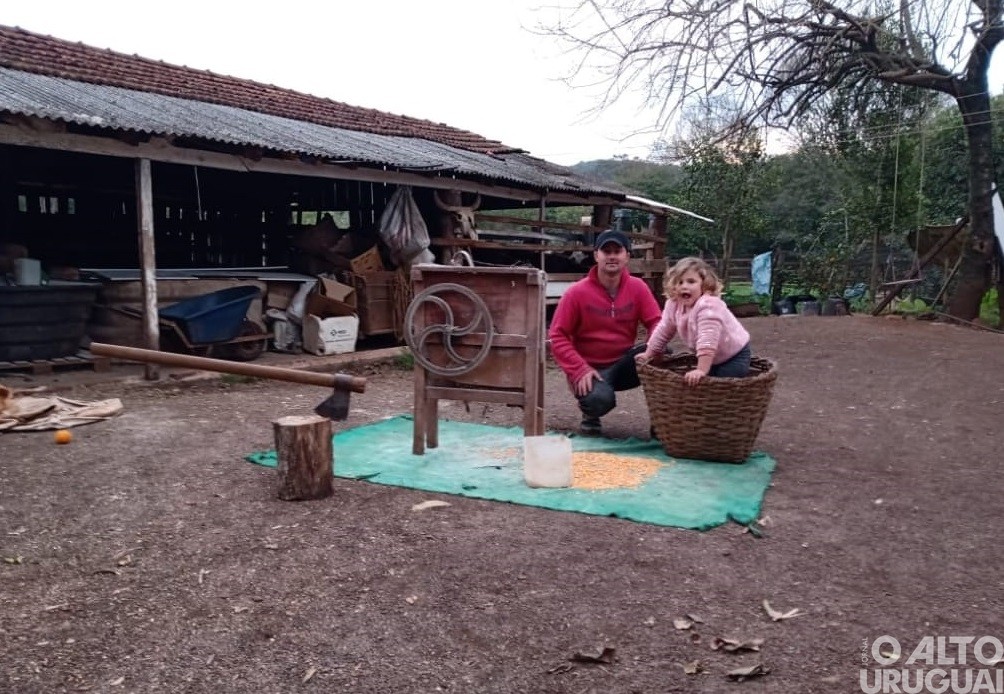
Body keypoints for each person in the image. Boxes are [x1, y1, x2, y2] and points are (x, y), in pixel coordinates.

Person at [548, 229, 662, 436]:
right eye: (605, 251)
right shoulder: (576, 293)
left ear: (626, 256)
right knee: (598, 400)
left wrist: (651, 351)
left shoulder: (638, 288)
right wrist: (579, 369)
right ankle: (591, 414)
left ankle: (661, 420)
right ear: (596, 256)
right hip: (589, 368)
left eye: (617, 251)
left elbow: (657, 323)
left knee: (664, 354)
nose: (611, 256)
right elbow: (557, 335)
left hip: (623, 364)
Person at [636, 257, 751, 385]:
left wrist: (701, 370)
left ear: (704, 285)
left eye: (691, 281)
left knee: (720, 386)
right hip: (711, 358)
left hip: (734, 356)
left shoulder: (708, 305)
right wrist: (649, 353)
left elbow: (707, 339)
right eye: (679, 282)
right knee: (701, 387)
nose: (684, 286)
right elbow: (663, 330)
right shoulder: (674, 305)